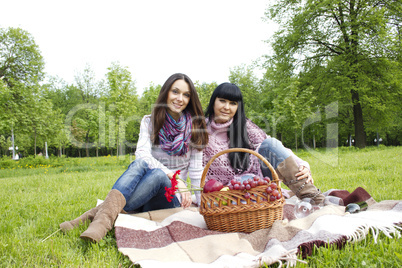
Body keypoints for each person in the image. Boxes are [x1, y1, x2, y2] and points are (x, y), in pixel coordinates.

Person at [60, 73, 209, 242]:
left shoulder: (196, 128)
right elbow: (142, 155)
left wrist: (202, 204)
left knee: (158, 175)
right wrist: (174, 176)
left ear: (191, 99)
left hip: (170, 199)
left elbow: (197, 173)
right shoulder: (149, 122)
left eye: (186, 94)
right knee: (140, 163)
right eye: (175, 91)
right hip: (145, 194)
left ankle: (91, 218)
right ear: (166, 93)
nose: (180, 98)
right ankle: (102, 221)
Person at [202, 82, 325, 205]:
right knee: (245, 188)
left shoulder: (243, 124)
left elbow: (273, 147)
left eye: (233, 103)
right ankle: (262, 199)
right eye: (222, 101)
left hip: (258, 177)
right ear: (213, 101)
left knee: (269, 143)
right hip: (227, 189)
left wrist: (303, 164)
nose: (227, 107)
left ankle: (313, 198)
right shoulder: (201, 130)